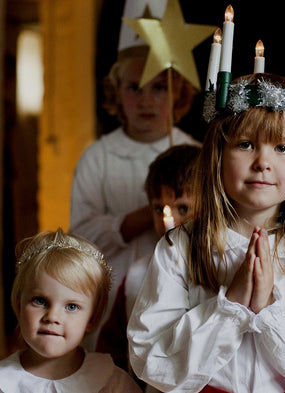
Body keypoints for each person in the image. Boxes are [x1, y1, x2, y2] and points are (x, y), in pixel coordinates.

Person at [127, 73, 285, 393]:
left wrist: (270, 310)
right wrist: (232, 307)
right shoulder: (180, 248)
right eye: (245, 144)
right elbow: (150, 359)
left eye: (281, 147)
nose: (262, 162)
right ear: (218, 155)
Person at [69, 41, 202, 350]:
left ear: (176, 93)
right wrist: (152, 211)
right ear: (116, 91)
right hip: (115, 290)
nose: (146, 100)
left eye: (158, 88)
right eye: (134, 88)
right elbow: (81, 236)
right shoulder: (98, 157)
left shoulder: (195, 154)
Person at [96, 144, 201, 390]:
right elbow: (113, 350)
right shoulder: (136, 276)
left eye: (183, 208)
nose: (170, 221)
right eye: (159, 209)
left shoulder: (221, 269)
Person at [0, 228, 143, 392]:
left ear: (92, 319)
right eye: (40, 301)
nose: (52, 316)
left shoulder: (112, 383)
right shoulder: (4, 382)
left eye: (71, 307)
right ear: (19, 306)